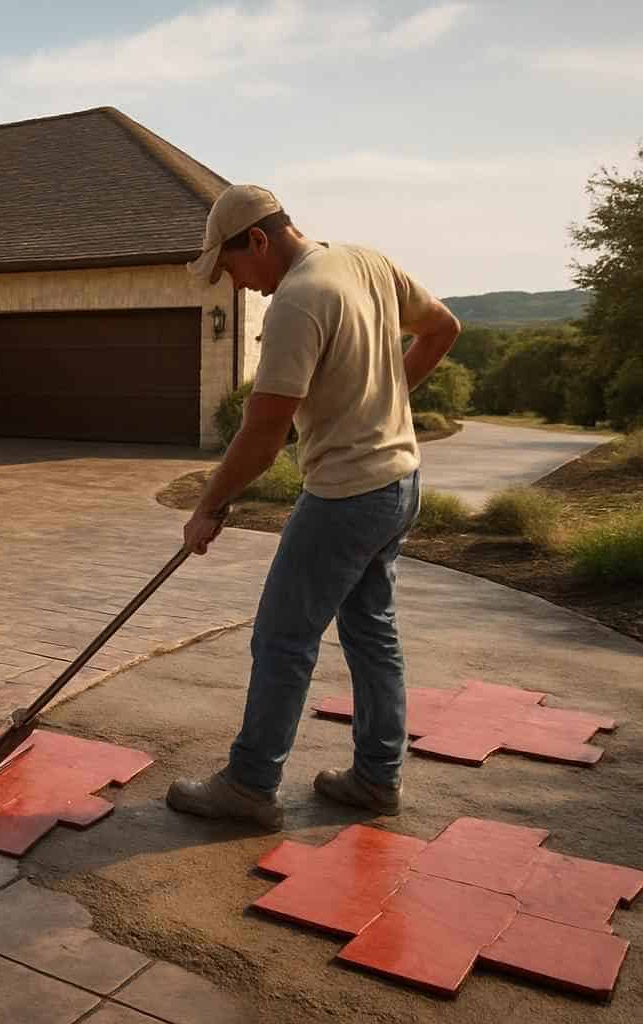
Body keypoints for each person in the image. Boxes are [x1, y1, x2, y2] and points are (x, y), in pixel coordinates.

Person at [166, 184, 461, 830]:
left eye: (233, 267)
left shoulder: (297, 303)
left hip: (347, 497)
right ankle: (378, 779)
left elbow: (265, 432)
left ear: (261, 242)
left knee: (282, 637)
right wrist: (385, 402)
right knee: (371, 632)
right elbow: (444, 328)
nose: (239, 286)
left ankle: (249, 785)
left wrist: (208, 506)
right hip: (400, 483)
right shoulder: (365, 263)